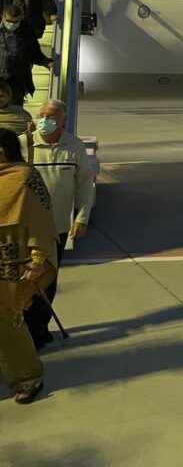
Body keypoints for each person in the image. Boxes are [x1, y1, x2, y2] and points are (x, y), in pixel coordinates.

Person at [23, 100, 93, 351]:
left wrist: (82, 217)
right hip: (27, 230)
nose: (44, 120)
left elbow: (84, 184)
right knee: (26, 280)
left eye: (51, 116)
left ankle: (38, 329)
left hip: (57, 228)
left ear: (64, 121)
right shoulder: (23, 144)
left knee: (48, 280)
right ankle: (28, 331)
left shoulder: (74, 146)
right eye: (41, 115)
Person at [0, 127, 57, 403]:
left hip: (11, 261)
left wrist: (37, 260)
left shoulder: (25, 178)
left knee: (8, 321)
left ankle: (28, 378)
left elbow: (42, 220)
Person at [0, 6, 53, 106]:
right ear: (3, 16)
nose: (11, 24)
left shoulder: (26, 31)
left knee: (15, 108)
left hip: (16, 79)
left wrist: (45, 62)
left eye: (15, 22)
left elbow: (33, 52)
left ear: (20, 19)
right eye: (8, 21)